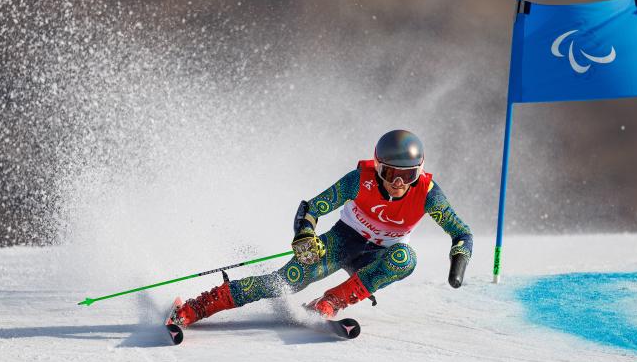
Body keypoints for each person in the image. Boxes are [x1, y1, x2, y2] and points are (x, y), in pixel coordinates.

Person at [168, 129, 473, 327]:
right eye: (391, 173)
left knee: (405, 258)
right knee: (286, 281)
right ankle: (198, 307)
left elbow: (462, 233)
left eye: (406, 176)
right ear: (378, 168)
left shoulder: (429, 194)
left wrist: (457, 266)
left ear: (418, 173)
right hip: (343, 240)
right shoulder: (360, 180)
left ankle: (332, 301)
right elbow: (312, 208)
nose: (397, 183)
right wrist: (305, 235)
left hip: (377, 256)